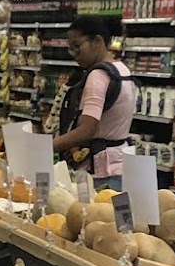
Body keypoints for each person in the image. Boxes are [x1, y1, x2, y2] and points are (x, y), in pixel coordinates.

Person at [51, 15, 135, 189]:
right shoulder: (123, 70)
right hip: (122, 166)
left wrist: (46, 147)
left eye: (77, 47)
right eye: (71, 49)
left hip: (101, 174)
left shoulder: (98, 76)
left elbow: (87, 130)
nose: (74, 55)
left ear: (97, 41)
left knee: (97, 207)